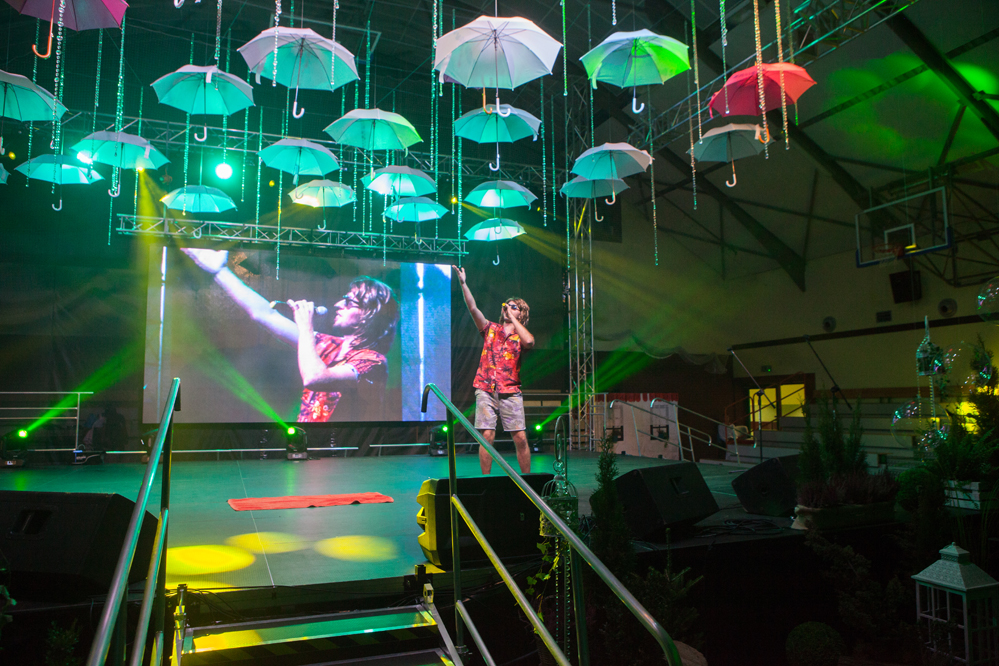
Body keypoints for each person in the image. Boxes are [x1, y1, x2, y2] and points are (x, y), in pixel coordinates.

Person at [182, 248, 399, 422]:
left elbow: (315, 378)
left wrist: (305, 327)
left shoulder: (373, 362)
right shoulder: (329, 344)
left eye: (349, 302)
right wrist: (220, 272)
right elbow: (264, 314)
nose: (338, 304)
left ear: (370, 314)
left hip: (347, 452)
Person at [453, 265, 535, 474]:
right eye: (506, 305)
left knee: (520, 437)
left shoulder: (520, 335)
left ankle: (528, 481)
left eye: (514, 307)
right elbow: (473, 309)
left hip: (510, 390)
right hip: (485, 388)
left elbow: (529, 342)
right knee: (486, 436)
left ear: (521, 313)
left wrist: (513, 318)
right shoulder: (491, 329)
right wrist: (463, 283)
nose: (507, 308)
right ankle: (485, 480)